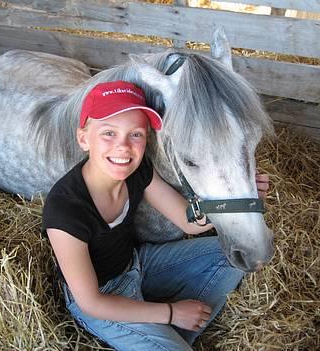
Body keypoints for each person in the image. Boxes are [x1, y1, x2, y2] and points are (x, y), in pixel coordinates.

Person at [42, 80, 269, 350]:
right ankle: (167, 332)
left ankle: (164, 334)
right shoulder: (65, 209)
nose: (123, 147)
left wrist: (237, 203)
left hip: (138, 265)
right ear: (83, 139)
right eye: (108, 133)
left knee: (231, 255)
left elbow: (188, 220)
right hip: (102, 299)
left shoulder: (137, 171)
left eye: (135, 134)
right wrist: (172, 312)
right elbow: (91, 302)